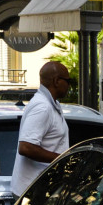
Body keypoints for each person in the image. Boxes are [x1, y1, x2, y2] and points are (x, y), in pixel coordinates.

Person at [10, 61, 71, 197]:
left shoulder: (49, 103)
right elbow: (26, 147)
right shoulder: (42, 107)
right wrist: (64, 158)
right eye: (68, 81)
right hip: (33, 193)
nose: (69, 85)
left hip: (40, 190)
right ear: (56, 81)